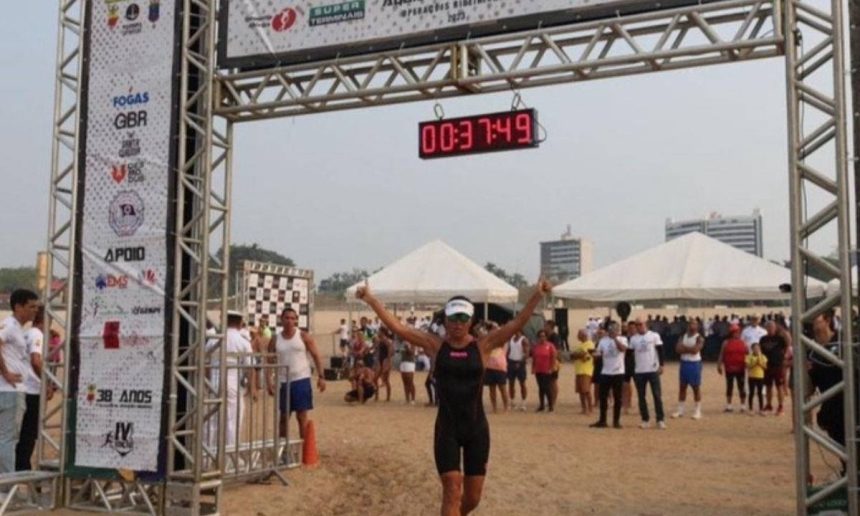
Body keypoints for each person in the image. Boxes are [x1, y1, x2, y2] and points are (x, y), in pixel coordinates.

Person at [356, 278, 551, 516]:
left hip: (476, 429)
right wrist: (371, 300)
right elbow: (399, 328)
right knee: (451, 488)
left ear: (470, 321)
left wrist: (537, 295)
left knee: (472, 498)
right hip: (447, 428)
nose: (457, 324)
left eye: (462, 318)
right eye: (453, 318)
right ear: (445, 320)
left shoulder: (483, 345)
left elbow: (517, 322)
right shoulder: (435, 346)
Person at [205, 311, 257, 469]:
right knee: (232, 420)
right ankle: (230, 459)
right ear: (240, 322)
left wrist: (207, 383)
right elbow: (250, 366)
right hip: (232, 382)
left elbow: (206, 361)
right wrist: (252, 387)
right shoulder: (241, 340)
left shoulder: (215, 339)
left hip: (214, 382)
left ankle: (207, 458)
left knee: (212, 421)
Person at [267, 307, 326, 441]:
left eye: (292, 318)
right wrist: (268, 381)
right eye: (287, 318)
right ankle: (282, 449)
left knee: (302, 416)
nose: (289, 321)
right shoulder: (275, 339)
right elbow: (269, 361)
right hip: (283, 380)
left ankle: (303, 448)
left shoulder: (303, 336)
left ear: (296, 321)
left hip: (301, 379)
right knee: (283, 416)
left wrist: (321, 377)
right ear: (281, 319)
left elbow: (316, 355)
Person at [0, 289, 39, 473]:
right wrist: (6, 372)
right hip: (11, 390)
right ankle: (6, 486)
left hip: (9, 389)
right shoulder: (10, 326)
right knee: (8, 439)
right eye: (31, 307)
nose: (35, 311)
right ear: (18, 306)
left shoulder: (15, 328)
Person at [16, 304, 45, 471]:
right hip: (33, 390)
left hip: (22, 388)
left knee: (22, 432)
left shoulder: (26, 333)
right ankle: (23, 467)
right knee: (29, 433)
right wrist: (47, 381)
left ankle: (20, 465)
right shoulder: (37, 335)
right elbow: (36, 360)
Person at [629, 318, 665, 429]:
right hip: (639, 371)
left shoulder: (654, 336)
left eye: (640, 324)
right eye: (637, 324)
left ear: (646, 324)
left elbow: (660, 350)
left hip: (652, 370)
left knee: (657, 395)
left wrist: (661, 365)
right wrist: (632, 369)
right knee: (641, 396)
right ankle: (645, 419)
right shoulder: (633, 339)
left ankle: (660, 419)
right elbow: (630, 355)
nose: (639, 326)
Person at [590, 322, 628, 429]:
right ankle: (602, 420)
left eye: (614, 329)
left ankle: (616, 421)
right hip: (605, 372)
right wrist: (594, 355)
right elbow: (598, 354)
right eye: (611, 329)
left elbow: (623, 349)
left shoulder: (622, 339)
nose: (612, 331)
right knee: (603, 397)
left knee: (618, 398)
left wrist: (615, 339)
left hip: (618, 372)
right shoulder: (603, 341)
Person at [672, 319, 704, 420]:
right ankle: (680, 410)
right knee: (682, 387)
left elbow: (695, 350)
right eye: (690, 323)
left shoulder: (699, 337)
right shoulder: (683, 336)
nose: (692, 325)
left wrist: (684, 349)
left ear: (697, 326)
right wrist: (689, 349)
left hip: (694, 363)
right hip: (684, 363)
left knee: (695, 387)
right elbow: (677, 349)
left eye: (694, 324)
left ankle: (697, 410)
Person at [717, 324, 747, 413]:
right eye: (734, 332)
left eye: (737, 332)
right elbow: (721, 354)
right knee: (729, 386)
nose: (736, 334)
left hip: (740, 367)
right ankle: (729, 405)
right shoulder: (726, 342)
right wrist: (719, 364)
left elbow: (748, 354)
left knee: (741, 386)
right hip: (729, 367)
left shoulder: (743, 342)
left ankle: (743, 406)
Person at [759, 321, 788, 415]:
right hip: (767, 365)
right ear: (766, 328)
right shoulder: (763, 339)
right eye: (769, 327)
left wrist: (784, 356)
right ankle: (768, 405)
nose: (770, 329)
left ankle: (780, 406)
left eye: (772, 327)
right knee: (768, 386)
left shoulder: (779, 339)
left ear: (775, 328)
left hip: (777, 365)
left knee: (779, 386)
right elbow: (761, 351)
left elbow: (786, 346)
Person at [532, 330, 557, 413]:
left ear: (546, 337)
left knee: (547, 388)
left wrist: (551, 368)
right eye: (540, 336)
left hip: (547, 370)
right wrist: (533, 367)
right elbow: (534, 358)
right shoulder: (536, 346)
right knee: (541, 388)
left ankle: (550, 406)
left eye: (543, 336)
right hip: (538, 370)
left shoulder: (550, 346)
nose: (542, 338)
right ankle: (541, 405)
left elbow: (553, 357)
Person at [571, 329, 594, 414]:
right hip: (578, 371)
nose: (577, 336)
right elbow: (573, 356)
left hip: (586, 371)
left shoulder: (590, 344)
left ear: (584, 335)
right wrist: (578, 355)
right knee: (580, 391)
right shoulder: (579, 345)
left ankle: (590, 408)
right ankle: (583, 408)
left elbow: (586, 358)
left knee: (586, 390)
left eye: (579, 334)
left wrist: (578, 355)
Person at [505, 331, 529, 412]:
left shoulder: (523, 340)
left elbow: (526, 353)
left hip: (520, 362)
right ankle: (512, 401)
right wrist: (506, 360)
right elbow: (509, 350)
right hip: (511, 362)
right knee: (511, 383)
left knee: (522, 383)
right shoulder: (511, 339)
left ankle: (523, 402)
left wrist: (520, 362)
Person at [485, 346, 509, 413]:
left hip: (500, 368)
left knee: (502, 388)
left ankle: (506, 407)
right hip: (489, 368)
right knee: (492, 389)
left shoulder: (502, 345)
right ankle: (494, 407)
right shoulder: (490, 345)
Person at [746, 342, 767, 415]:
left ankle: (761, 409)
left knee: (760, 393)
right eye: (755, 348)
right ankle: (751, 408)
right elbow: (748, 367)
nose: (756, 350)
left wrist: (760, 363)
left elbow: (765, 367)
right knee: (751, 393)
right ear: (752, 349)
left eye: (757, 348)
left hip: (760, 376)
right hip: (752, 376)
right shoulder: (749, 357)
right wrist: (755, 363)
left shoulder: (763, 356)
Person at [374, 327, 395, 401]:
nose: (378, 332)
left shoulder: (386, 340)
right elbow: (377, 350)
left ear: (382, 332)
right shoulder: (379, 340)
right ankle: (377, 396)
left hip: (385, 360)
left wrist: (388, 360)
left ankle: (387, 397)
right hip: (380, 360)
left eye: (379, 331)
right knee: (375, 378)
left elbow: (390, 349)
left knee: (386, 379)